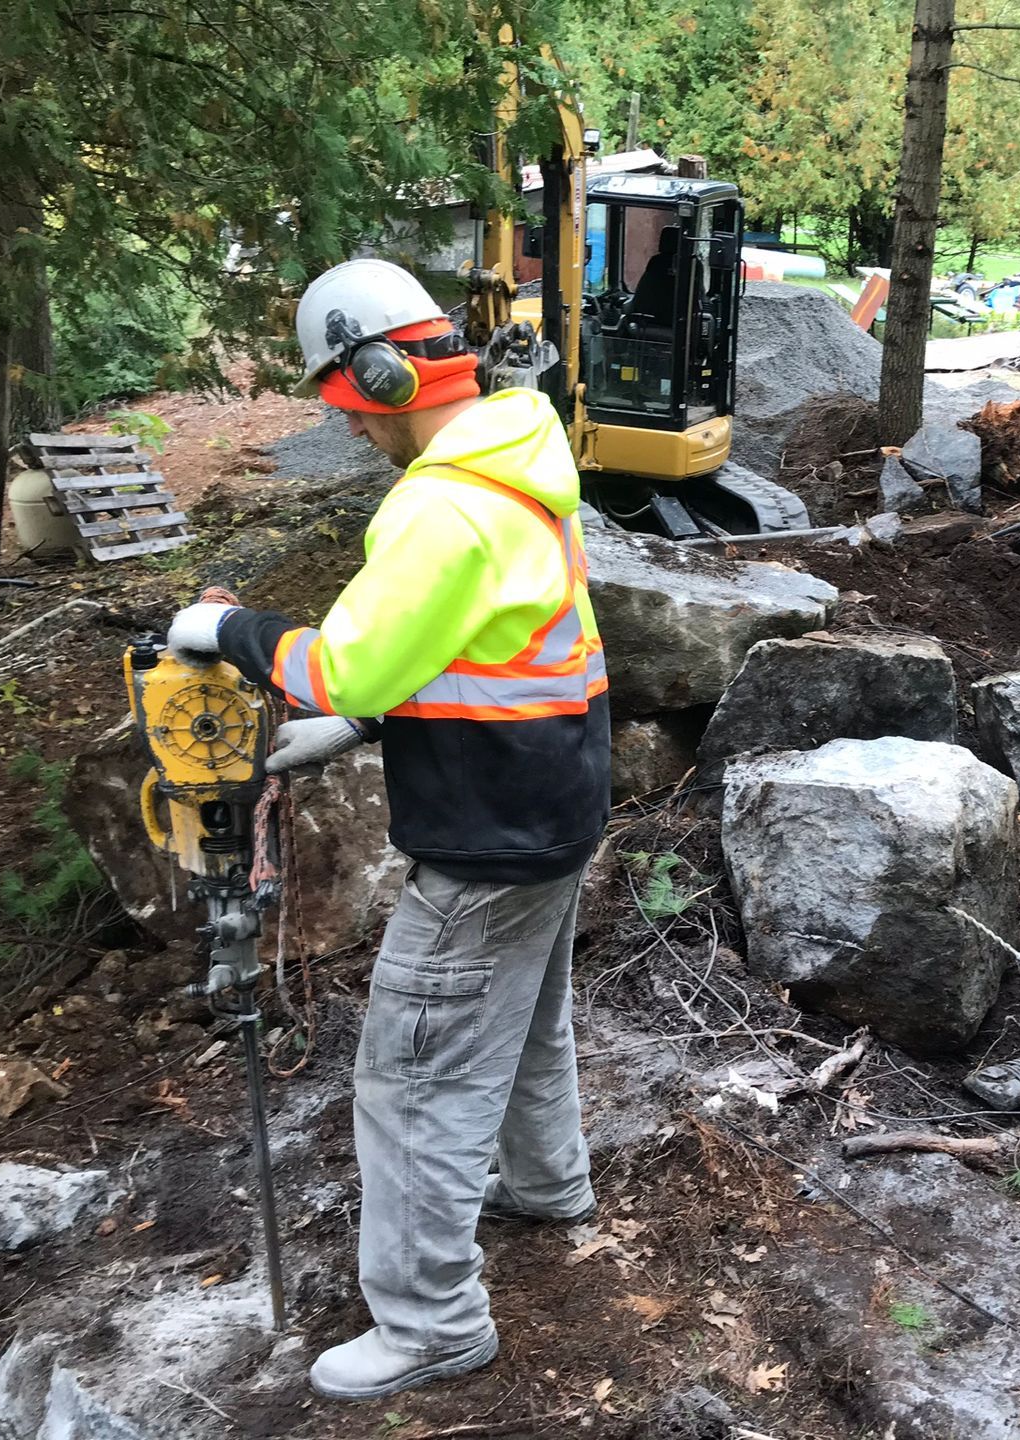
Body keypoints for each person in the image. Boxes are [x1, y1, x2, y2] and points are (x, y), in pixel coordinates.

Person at [164, 257, 610, 1402]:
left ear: (376, 371)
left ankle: (429, 1323)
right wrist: (365, 721)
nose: (353, 432)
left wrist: (233, 628)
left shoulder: (441, 500)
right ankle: (548, 1183)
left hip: (481, 835)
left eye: (346, 406)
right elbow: (472, 641)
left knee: (413, 1075)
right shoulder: (517, 474)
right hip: (550, 809)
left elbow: (347, 656)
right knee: (526, 1020)